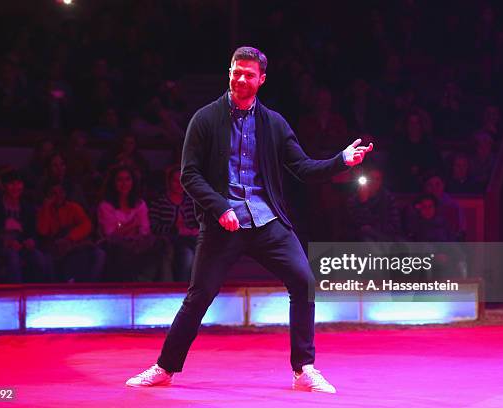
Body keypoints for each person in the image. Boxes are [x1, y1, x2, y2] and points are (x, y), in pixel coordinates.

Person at [125, 47, 373, 393]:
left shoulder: (273, 123)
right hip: (222, 223)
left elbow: (302, 168)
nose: (241, 79)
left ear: (262, 80)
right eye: (236, 71)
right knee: (199, 296)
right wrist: (219, 207)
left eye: (249, 74)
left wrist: (340, 161)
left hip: (266, 219)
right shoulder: (206, 119)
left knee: (303, 281)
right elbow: (190, 176)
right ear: (229, 72)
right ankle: (164, 367)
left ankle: (304, 369)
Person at [97, 165, 160, 282]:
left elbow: (144, 229)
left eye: (127, 179)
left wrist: (125, 229)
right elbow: (110, 234)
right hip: (115, 246)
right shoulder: (106, 206)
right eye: (119, 180)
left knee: (159, 246)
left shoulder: (140, 204)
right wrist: (132, 225)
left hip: (138, 243)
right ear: (113, 183)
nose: (124, 183)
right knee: (122, 252)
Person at [148, 164, 198, 282]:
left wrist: (192, 230)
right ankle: (181, 288)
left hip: (190, 239)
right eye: (175, 181)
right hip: (168, 241)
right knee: (187, 255)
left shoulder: (190, 202)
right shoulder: (159, 201)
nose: (178, 184)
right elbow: (153, 226)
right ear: (169, 182)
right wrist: (175, 229)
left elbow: (196, 223)